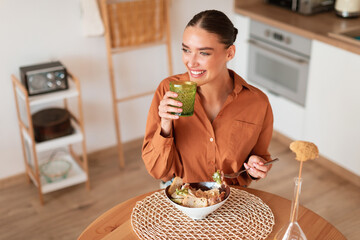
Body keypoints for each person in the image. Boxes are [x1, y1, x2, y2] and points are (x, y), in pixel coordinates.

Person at [142, 10, 273, 187]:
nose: (191, 61)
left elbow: (260, 158)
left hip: (232, 197)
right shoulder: (168, 91)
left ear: (230, 53)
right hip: (180, 196)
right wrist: (165, 125)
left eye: (203, 53)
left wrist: (256, 166)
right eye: (186, 50)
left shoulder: (257, 102)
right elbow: (157, 170)